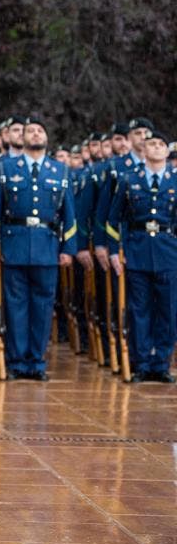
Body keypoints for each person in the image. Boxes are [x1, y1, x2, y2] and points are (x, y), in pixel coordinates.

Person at [0, 117, 76, 380]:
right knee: (15, 307)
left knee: (42, 307)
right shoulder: (6, 168)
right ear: (22, 138)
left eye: (40, 130)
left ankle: (36, 362)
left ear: (47, 138)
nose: (36, 134)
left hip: (47, 247)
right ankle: (17, 362)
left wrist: (68, 248)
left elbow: (68, 214)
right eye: (31, 131)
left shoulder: (60, 171)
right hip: (14, 246)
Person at [105, 127, 177, 382]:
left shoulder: (175, 181)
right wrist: (114, 251)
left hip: (168, 251)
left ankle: (161, 363)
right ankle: (142, 362)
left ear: (167, 151)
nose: (156, 147)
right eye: (152, 143)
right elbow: (113, 220)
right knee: (140, 309)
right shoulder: (128, 180)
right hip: (136, 250)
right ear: (143, 150)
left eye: (161, 143)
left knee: (168, 310)